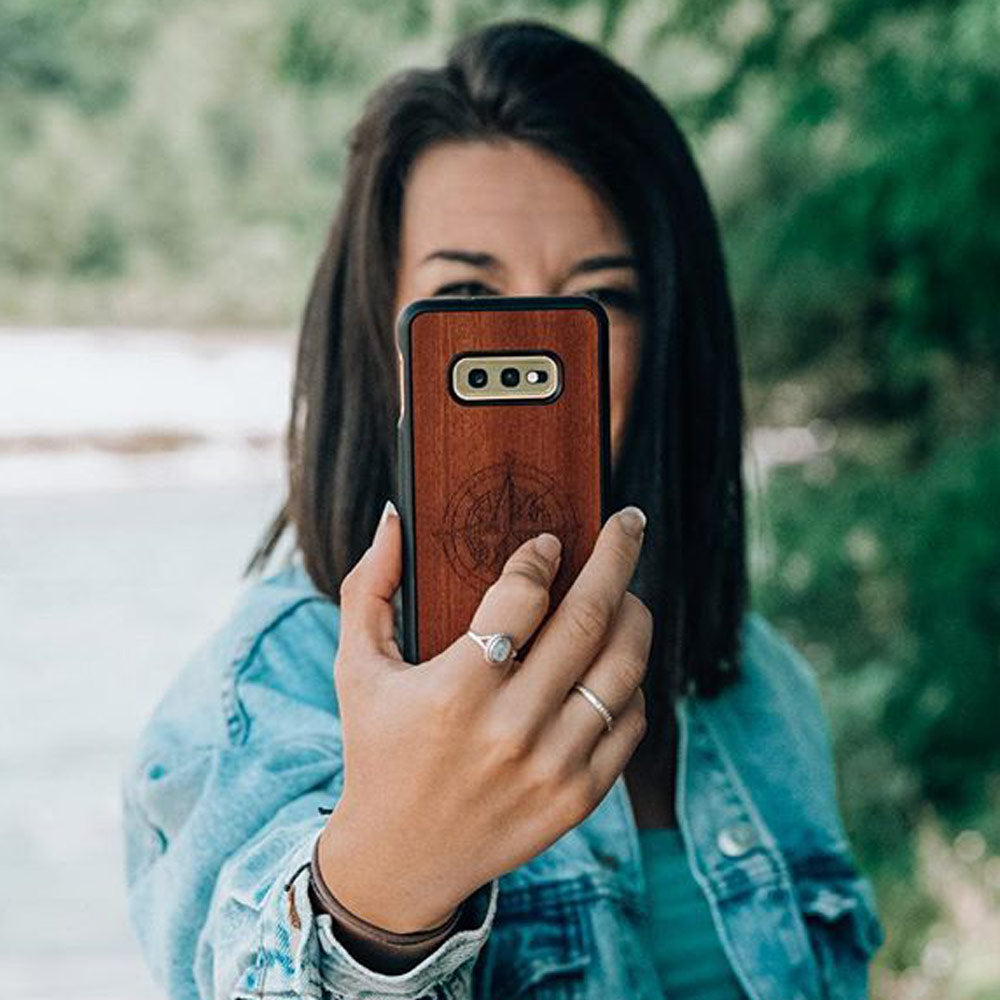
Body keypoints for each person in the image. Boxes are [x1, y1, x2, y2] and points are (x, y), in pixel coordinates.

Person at [121, 18, 884, 1000]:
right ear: (378, 338)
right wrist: (381, 890)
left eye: (602, 296)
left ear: (671, 336)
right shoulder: (265, 695)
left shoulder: (756, 684)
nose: (543, 347)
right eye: (468, 294)